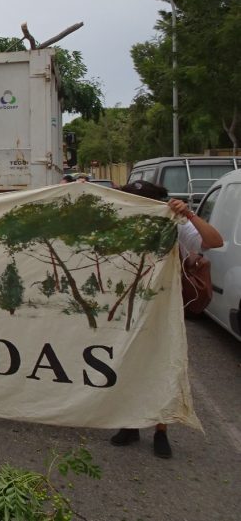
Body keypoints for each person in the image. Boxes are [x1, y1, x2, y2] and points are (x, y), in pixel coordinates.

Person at [110, 180, 224, 459]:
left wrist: (189, 215)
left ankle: (161, 430)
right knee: (126, 364)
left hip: (163, 309)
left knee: (160, 366)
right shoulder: (122, 224)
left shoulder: (175, 224)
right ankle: (130, 424)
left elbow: (214, 241)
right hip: (128, 307)